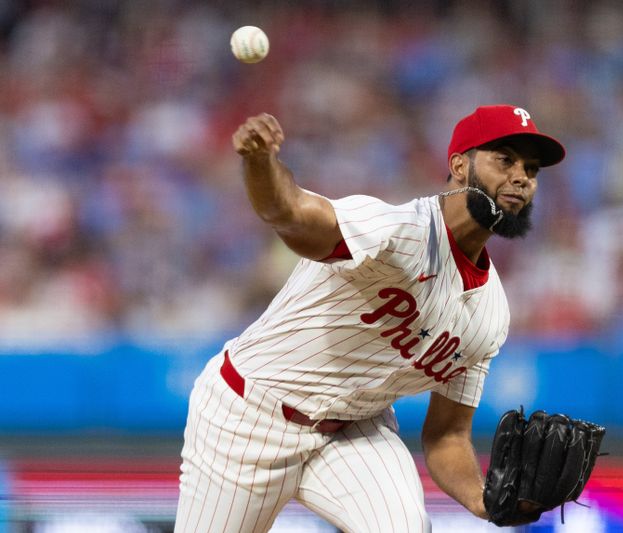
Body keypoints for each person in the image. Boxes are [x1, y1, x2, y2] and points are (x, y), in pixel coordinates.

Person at [174, 104, 566, 532]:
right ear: (458, 165)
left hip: (353, 430)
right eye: (504, 159)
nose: (521, 177)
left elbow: (447, 435)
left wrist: (483, 498)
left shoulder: (490, 314)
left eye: (531, 169)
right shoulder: (395, 231)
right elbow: (288, 212)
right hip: (248, 413)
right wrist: (259, 163)